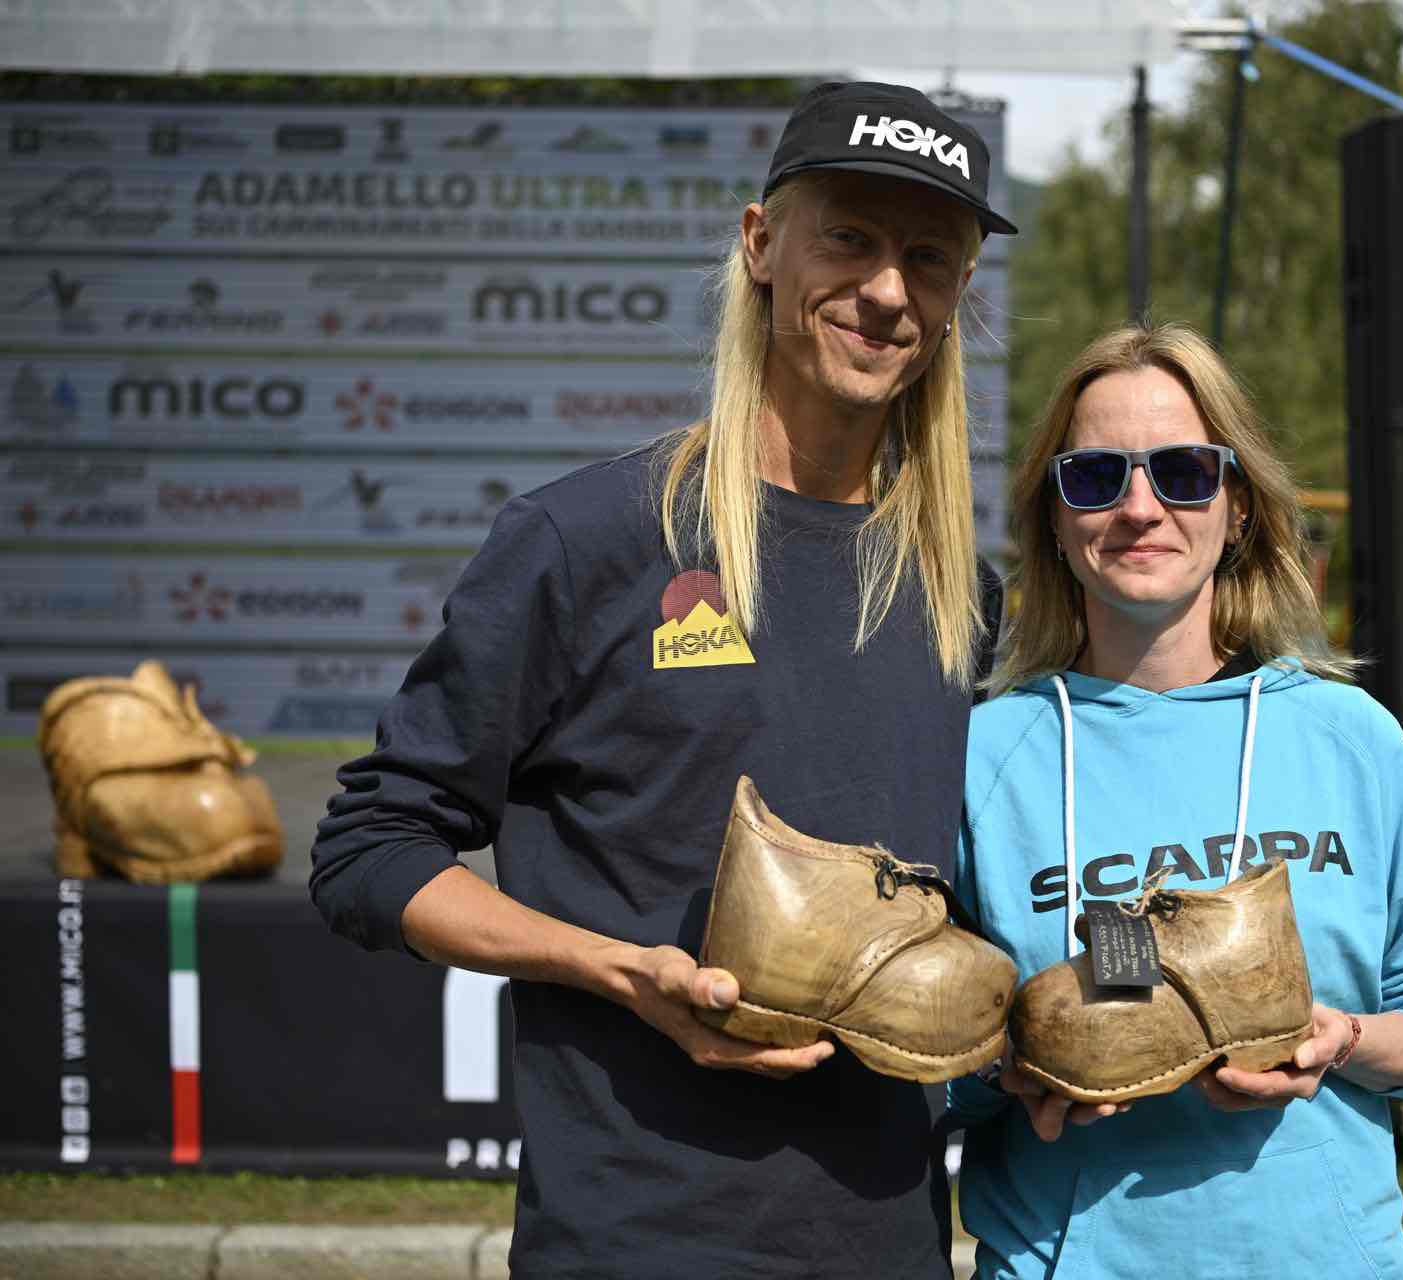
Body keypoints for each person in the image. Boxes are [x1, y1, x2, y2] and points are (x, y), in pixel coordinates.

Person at [309, 81, 1016, 1277]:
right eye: (848, 236)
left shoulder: (963, 595)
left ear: (953, 301)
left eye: (929, 259)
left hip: (892, 1243)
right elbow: (371, 851)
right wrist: (615, 969)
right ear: (760, 245)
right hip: (636, 1239)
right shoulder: (585, 541)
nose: (888, 289)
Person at [947, 324, 1403, 1277]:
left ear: (1238, 508)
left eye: (1185, 471)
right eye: (1096, 476)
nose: (1140, 507)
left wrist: (1344, 1039)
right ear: (1053, 518)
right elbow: (918, 1066)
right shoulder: (983, 754)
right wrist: (1012, 1070)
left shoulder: (1350, 737)